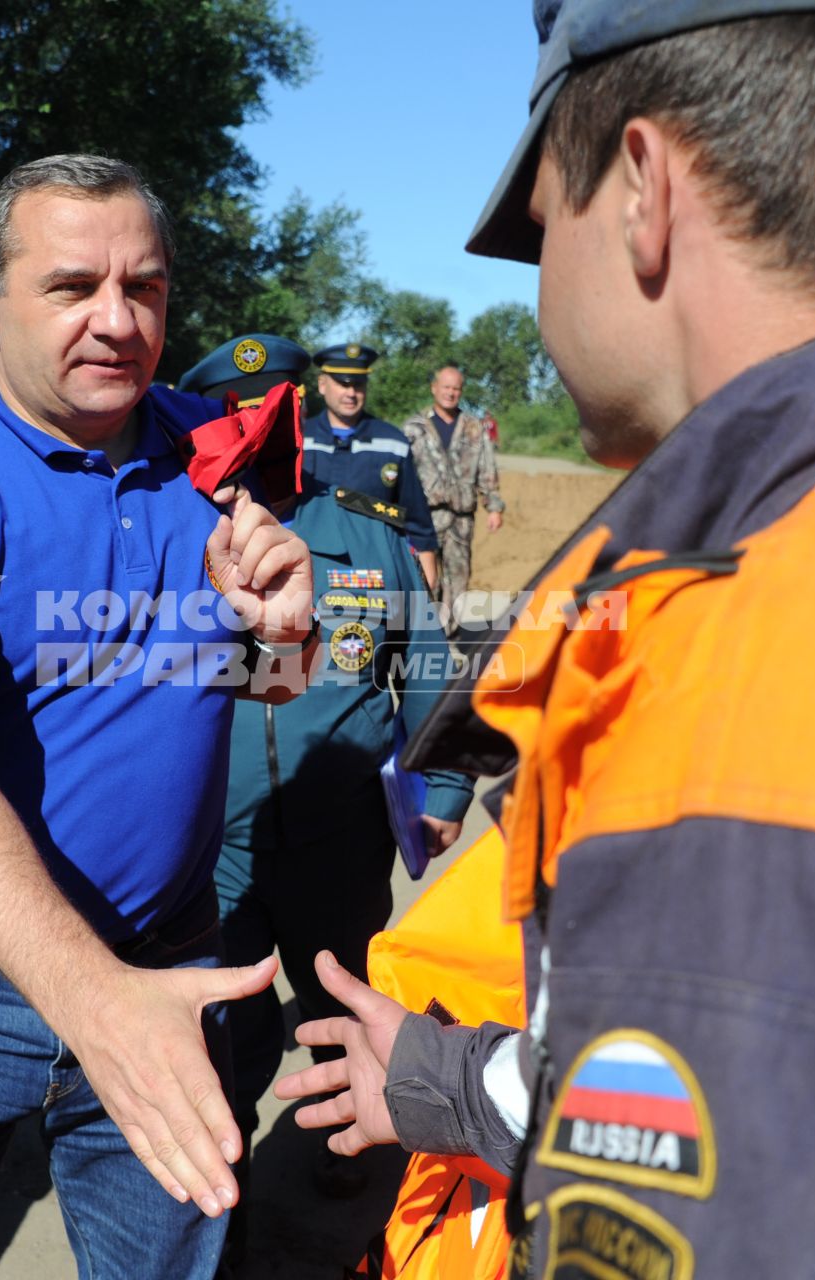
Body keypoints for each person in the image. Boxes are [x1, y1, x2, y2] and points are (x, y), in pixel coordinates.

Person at [276, 2, 815, 1275]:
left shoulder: (749, 655)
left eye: (545, 224)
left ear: (646, 190)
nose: (543, 283)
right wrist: (466, 1081)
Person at [0, 154, 318, 1280]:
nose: (117, 320)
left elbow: (270, 686)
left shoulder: (215, 455)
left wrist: (283, 631)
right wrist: (99, 1002)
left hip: (167, 955)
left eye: (144, 287)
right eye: (73, 285)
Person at [180, 333, 474, 1232]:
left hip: (339, 839)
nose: (256, 429)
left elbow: (427, 672)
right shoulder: (174, 536)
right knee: (217, 1021)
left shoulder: (361, 536)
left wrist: (446, 794)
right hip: (212, 841)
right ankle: (216, 1167)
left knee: (340, 1007)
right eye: (236, 415)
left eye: (271, 410)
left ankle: (343, 1157)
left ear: (296, 416)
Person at [303, 344, 439, 587]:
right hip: (308, 575)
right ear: (322, 385)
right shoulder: (300, 439)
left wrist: (426, 602)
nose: (351, 393)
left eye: (358, 385)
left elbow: (417, 522)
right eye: (343, 384)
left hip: (375, 578)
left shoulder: (392, 442)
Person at [401, 364, 505, 635]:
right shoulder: (414, 428)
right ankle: (425, 631)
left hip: (461, 518)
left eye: (456, 388)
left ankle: (449, 633)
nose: (451, 393)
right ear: (434, 388)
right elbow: (401, 472)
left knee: (458, 578)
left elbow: (487, 468)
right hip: (424, 517)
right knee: (425, 577)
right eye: (446, 387)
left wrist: (493, 506)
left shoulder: (474, 427)